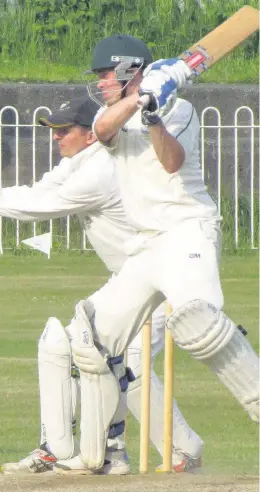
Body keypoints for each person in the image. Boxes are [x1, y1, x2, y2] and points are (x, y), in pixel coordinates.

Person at [0, 97, 204, 474]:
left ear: (91, 135)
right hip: (134, 284)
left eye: (64, 130)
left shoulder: (103, 168)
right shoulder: (78, 163)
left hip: (163, 282)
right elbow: (40, 188)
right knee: (82, 347)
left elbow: (47, 203)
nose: (56, 138)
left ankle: (167, 451)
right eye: (53, 130)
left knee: (120, 358)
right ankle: (98, 451)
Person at [46, 34, 258, 473]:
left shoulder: (179, 110)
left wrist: (154, 116)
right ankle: (101, 456)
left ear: (127, 69)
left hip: (187, 232)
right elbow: (103, 130)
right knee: (92, 337)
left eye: (105, 74)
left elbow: (173, 162)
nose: (100, 82)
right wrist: (141, 98)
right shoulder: (110, 115)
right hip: (145, 244)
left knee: (197, 322)